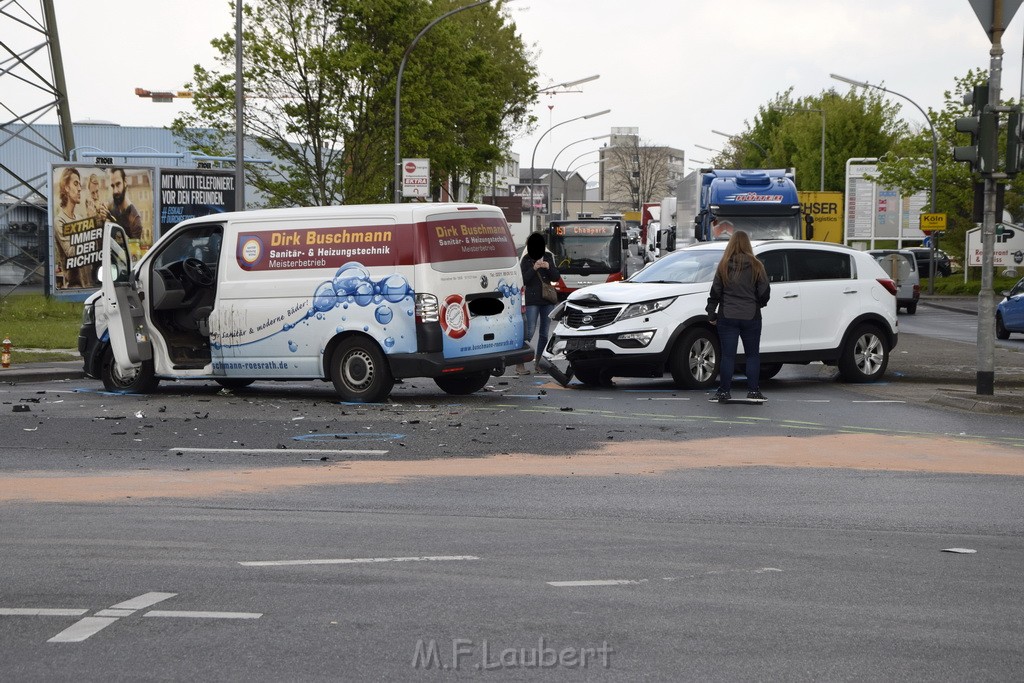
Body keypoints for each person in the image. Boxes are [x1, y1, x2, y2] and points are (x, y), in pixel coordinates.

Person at [705, 230, 770, 402]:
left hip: (727, 316)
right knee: (752, 355)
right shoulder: (757, 265)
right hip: (751, 316)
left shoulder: (723, 265)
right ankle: (753, 392)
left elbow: (715, 292)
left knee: (728, 355)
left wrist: (712, 312)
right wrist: (758, 303)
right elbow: (764, 292)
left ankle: (723, 391)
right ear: (748, 244)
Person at [516, 232, 560, 375]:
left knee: (544, 334)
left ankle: (538, 363)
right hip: (532, 299)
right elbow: (523, 280)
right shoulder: (526, 259)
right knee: (529, 331)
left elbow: (556, 277)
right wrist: (534, 268)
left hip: (547, 300)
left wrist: (548, 267)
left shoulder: (548, 257)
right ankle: (519, 362)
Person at [97, 167, 143, 238]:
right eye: (112, 186)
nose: (115, 191)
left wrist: (111, 220)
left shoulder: (135, 219)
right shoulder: (112, 204)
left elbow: (132, 247)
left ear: (125, 182)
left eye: (118, 184)